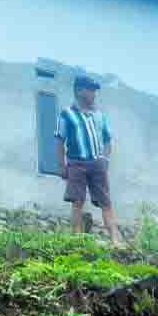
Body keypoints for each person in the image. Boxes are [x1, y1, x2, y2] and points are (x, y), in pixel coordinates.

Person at [54, 74, 121, 243]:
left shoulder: (99, 115)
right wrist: (62, 166)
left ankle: (114, 240)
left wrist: (105, 160)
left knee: (106, 201)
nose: (93, 94)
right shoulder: (67, 114)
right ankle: (76, 239)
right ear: (79, 91)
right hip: (76, 163)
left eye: (94, 91)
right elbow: (60, 140)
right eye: (90, 90)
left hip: (97, 163)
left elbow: (107, 140)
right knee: (77, 201)